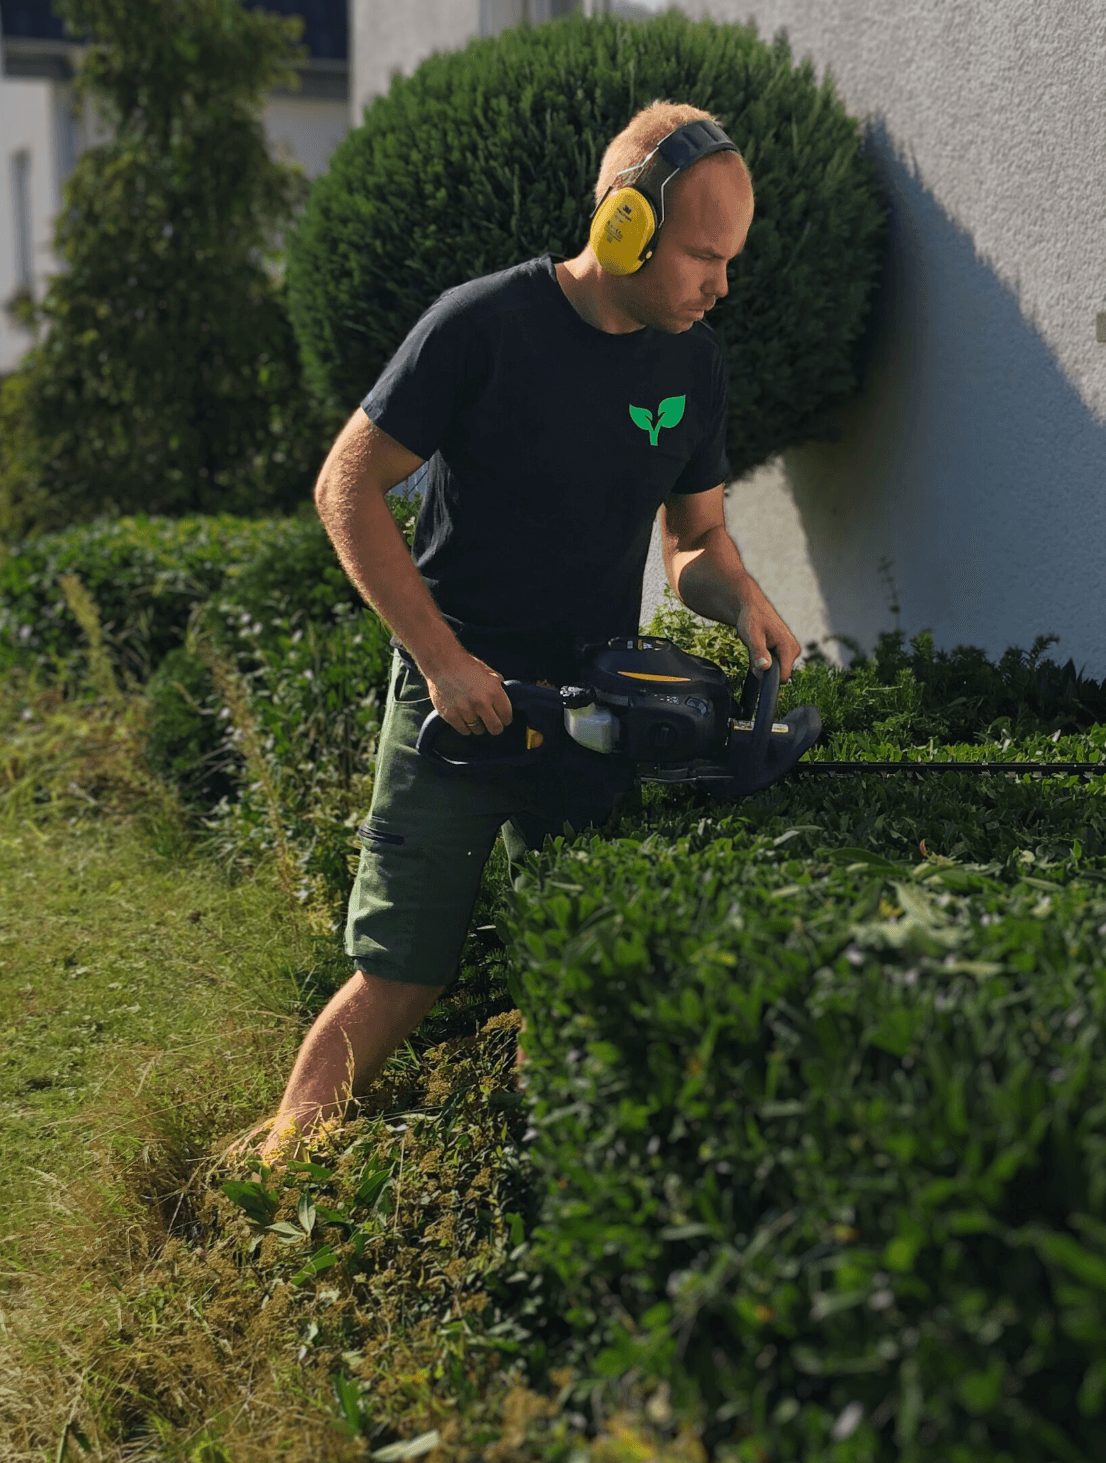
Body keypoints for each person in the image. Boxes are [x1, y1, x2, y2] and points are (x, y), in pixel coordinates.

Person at [251, 101, 803, 1162]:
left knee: (580, 960)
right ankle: (277, 1170)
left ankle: (539, 1193)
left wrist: (745, 602)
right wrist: (441, 658)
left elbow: (695, 542)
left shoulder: (694, 367)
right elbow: (345, 487)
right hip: (457, 703)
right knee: (401, 968)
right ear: (624, 224)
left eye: (730, 260)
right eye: (702, 255)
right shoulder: (482, 325)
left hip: (592, 711)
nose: (721, 283)